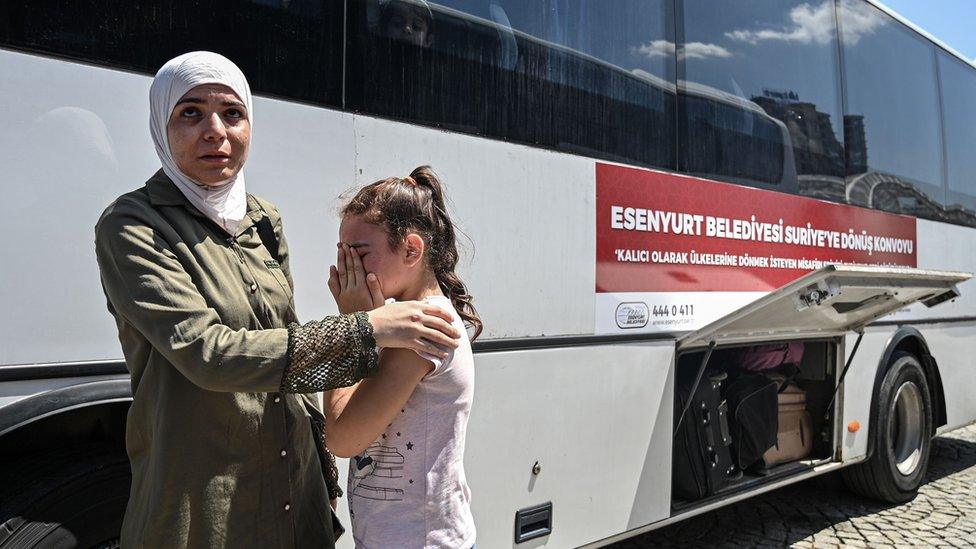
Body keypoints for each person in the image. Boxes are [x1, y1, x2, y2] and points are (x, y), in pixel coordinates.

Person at [94, 52, 460, 549]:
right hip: (205, 505)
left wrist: (322, 472)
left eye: (232, 113)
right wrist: (366, 327)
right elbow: (208, 354)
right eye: (191, 113)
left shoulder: (263, 219)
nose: (215, 131)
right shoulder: (133, 226)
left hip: (294, 496)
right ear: (162, 125)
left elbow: (286, 345)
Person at [324, 166, 480, 548]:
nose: (349, 268)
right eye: (343, 253)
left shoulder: (423, 328)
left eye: (360, 253)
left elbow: (343, 438)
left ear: (412, 249)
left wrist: (351, 326)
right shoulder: (399, 320)